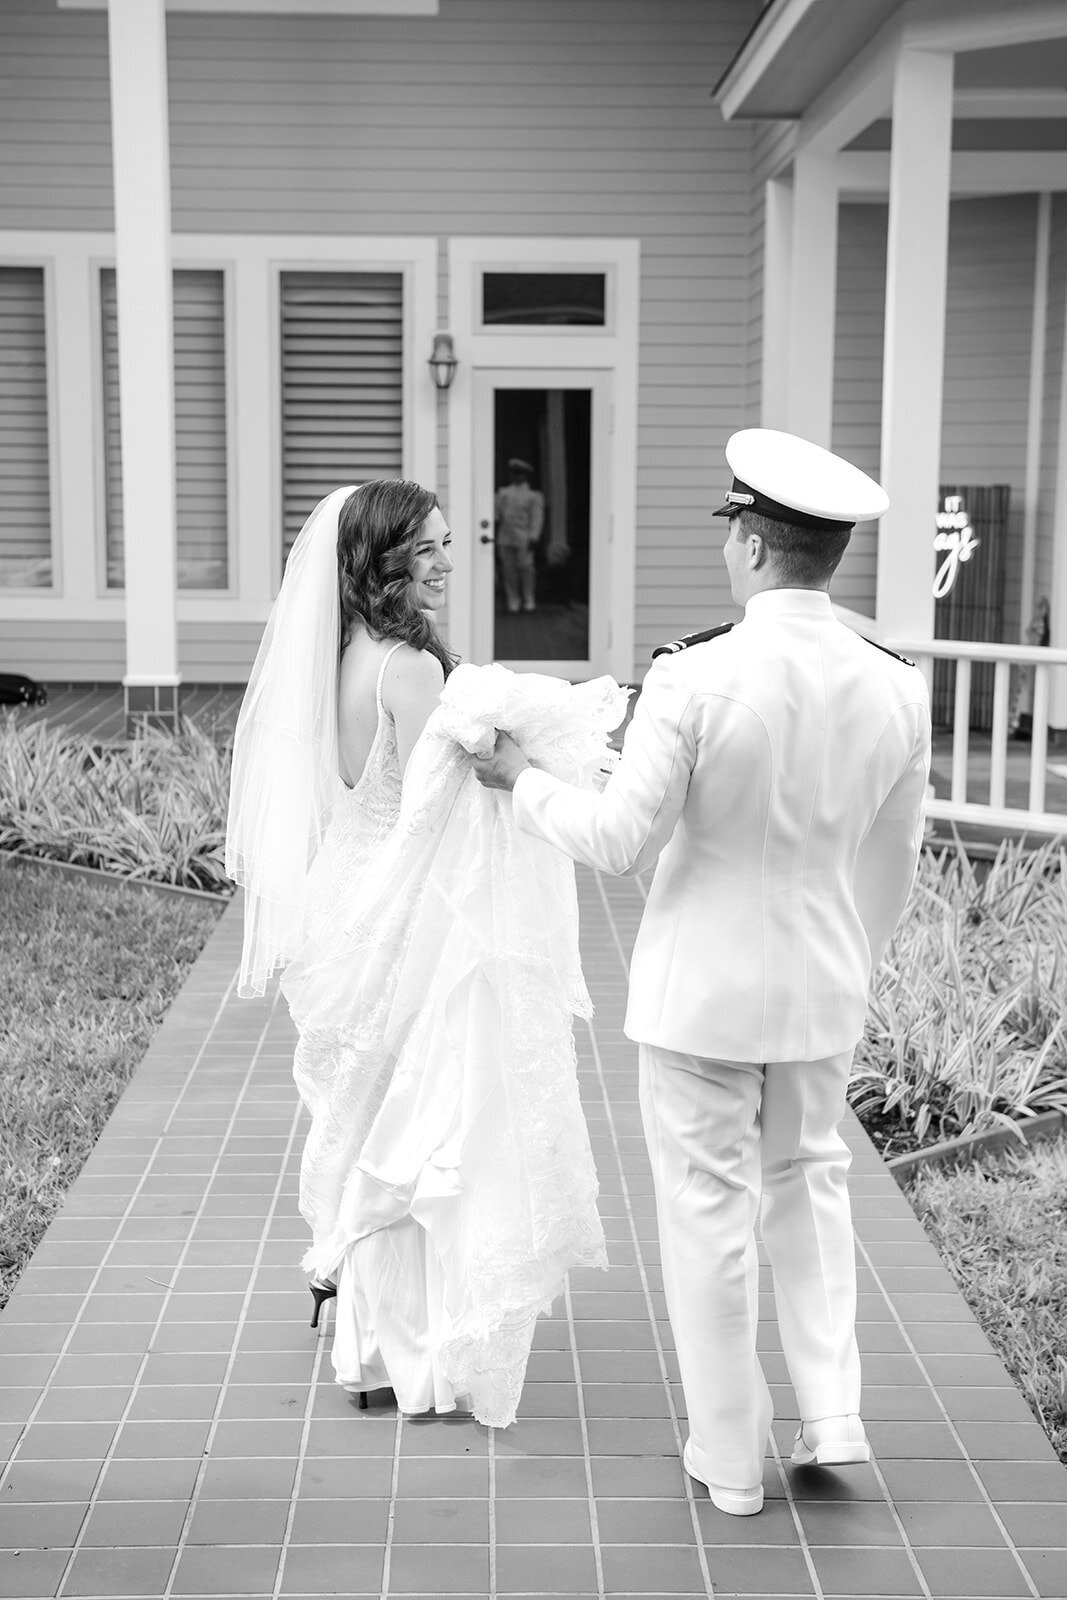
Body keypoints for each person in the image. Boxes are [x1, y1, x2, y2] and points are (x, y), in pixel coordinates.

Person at [472, 430, 932, 1511]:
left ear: (756, 545)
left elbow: (618, 839)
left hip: (698, 1002)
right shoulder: (895, 687)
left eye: (732, 530)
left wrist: (518, 783)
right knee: (809, 1188)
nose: (727, 548)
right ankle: (831, 1414)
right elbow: (892, 862)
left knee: (708, 1219)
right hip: (823, 991)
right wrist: (845, 963)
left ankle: (729, 1461)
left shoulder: (693, 675)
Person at [225, 480, 613, 1427]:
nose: (446, 559)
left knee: (369, 1126)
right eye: (427, 547)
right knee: (427, 1130)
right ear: (380, 558)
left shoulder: (346, 656)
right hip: (407, 920)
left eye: (449, 542)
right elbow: (431, 815)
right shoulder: (411, 670)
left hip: (344, 905)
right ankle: (414, 1353)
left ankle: (365, 1341)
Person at [494, 457, 545, 613]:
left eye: (520, 473)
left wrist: (534, 536)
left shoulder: (533, 495)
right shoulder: (503, 493)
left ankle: (528, 598)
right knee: (508, 570)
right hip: (506, 536)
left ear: (526, 475)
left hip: (524, 536)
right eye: (515, 473)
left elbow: (536, 517)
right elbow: (496, 514)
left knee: (526, 568)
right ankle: (513, 599)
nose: (517, 476)